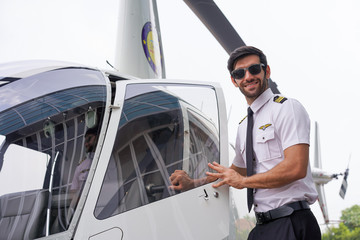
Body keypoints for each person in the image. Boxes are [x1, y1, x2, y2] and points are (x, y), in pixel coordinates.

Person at [206, 46, 321, 239]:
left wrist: (243, 182)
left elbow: (296, 167)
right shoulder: (243, 127)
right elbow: (233, 172)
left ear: (266, 71)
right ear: (235, 81)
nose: (248, 76)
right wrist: (191, 182)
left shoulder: (286, 108)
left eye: (254, 69)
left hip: (291, 222)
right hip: (262, 227)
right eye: (240, 73)